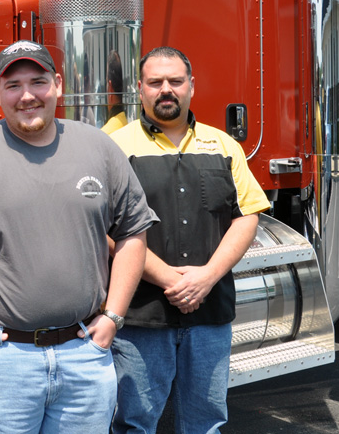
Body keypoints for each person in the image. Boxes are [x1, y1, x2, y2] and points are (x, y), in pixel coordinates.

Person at [0, 40, 158, 433]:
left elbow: (133, 230)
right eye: (13, 85)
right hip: (0, 364)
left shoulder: (98, 147)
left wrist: (114, 317)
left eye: (38, 82)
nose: (27, 95)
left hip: (85, 358)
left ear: (58, 85)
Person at [109, 47, 271, 434]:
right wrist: (169, 278)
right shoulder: (113, 147)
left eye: (175, 81)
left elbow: (246, 216)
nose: (166, 89)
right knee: (133, 424)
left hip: (209, 314)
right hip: (141, 316)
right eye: (155, 82)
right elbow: (103, 229)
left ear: (191, 86)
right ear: (140, 88)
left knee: (206, 424)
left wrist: (207, 277)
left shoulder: (224, 146)